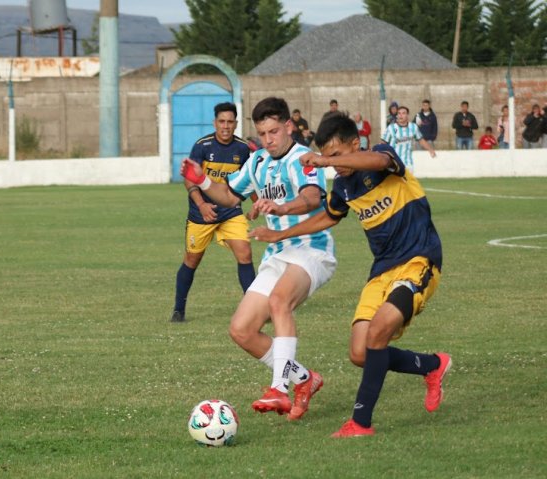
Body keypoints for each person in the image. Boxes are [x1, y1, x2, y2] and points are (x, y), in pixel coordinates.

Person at [250, 112, 451, 438]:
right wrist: (279, 234)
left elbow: (376, 160)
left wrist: (324, 161)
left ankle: (360, 423)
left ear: (356, 144)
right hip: (382, 269)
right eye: (327, 157)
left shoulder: (383, 158)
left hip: (419, 260)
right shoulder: (344, 186)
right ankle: (432, 365)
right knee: (360, 353)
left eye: (337, 155)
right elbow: (328, 217)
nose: (335, 165)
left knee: (379, 330)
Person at [181, 97, 336, 420]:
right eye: (263, 133)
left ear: (289, 126)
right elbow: (228, 196)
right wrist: (202, 180)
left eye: (274, 132)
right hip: (278, 253)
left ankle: (279, 388)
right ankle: (304, 379)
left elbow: (311, 197)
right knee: (242, 330)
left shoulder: (303, 158)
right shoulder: (257, 161)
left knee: (280, 301)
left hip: (311, 249)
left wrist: (282, 207)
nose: (268, 139)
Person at [170, 102, 255, 323]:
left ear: (236, 124)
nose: (226, 126)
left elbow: (249, 180)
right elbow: (190, 180)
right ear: (214, 123)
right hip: (201, 214)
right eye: (221, 121)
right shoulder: (202, 146)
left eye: (230, 122)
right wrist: (202, 205)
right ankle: (179, 310)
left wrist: (257, 204)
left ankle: (254, 309)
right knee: (192, 259)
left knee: (245, 253)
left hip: (231, 211)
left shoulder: (242, 149)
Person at [381, 106, 435, 171]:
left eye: (403, 113)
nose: (401, 115)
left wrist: (430, 150)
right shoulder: (391, 128)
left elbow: (421, 140)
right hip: (394, 164)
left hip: (408, 164)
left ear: (407, 115)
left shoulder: (413, 127)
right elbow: (383, 143)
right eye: (399, 113)